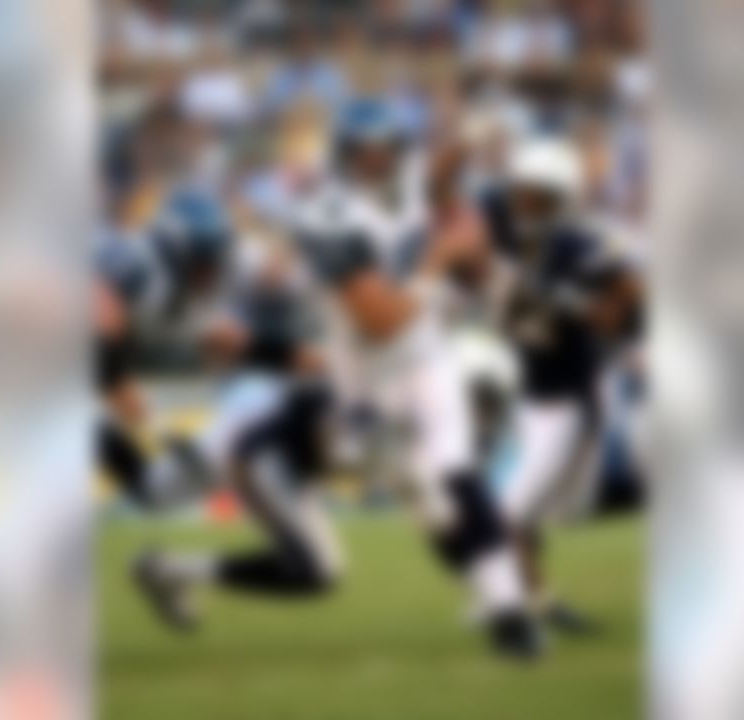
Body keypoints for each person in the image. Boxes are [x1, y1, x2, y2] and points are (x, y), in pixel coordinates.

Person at [290, 98, 541, 660]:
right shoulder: (326, 214)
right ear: (345, 155)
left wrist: (468, 139)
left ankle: (510, 613)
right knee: (432, 512)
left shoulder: (410, 182)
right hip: (365, 380)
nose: (377, 161)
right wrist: (440, 259)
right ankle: (490, 589)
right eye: (365, 152)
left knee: (456, 474)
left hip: (425, 359)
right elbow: (381, 323)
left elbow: (436, 178)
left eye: (386, 150)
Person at [94, 188, 343, 628]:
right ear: (178, 251)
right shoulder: (140, 266)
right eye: (205, 262)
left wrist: (317, 361)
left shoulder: (184, 291)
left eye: (215, 260)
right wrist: (116, 382)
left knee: (156, 492)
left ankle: (163, 569)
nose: (214, 272)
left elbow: (232, 342)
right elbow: (97, 309)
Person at [478, 136, 644, 633]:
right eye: (522, 191)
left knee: (514, 514)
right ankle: (539, 603)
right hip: (532, 392)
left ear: (561, 197)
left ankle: (517, 608)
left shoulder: (578, 242)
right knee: (517, 513)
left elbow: (629, 298)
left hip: (571, 397)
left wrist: (581, 310)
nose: (525, 202)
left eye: (539, 194)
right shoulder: (506, 226)